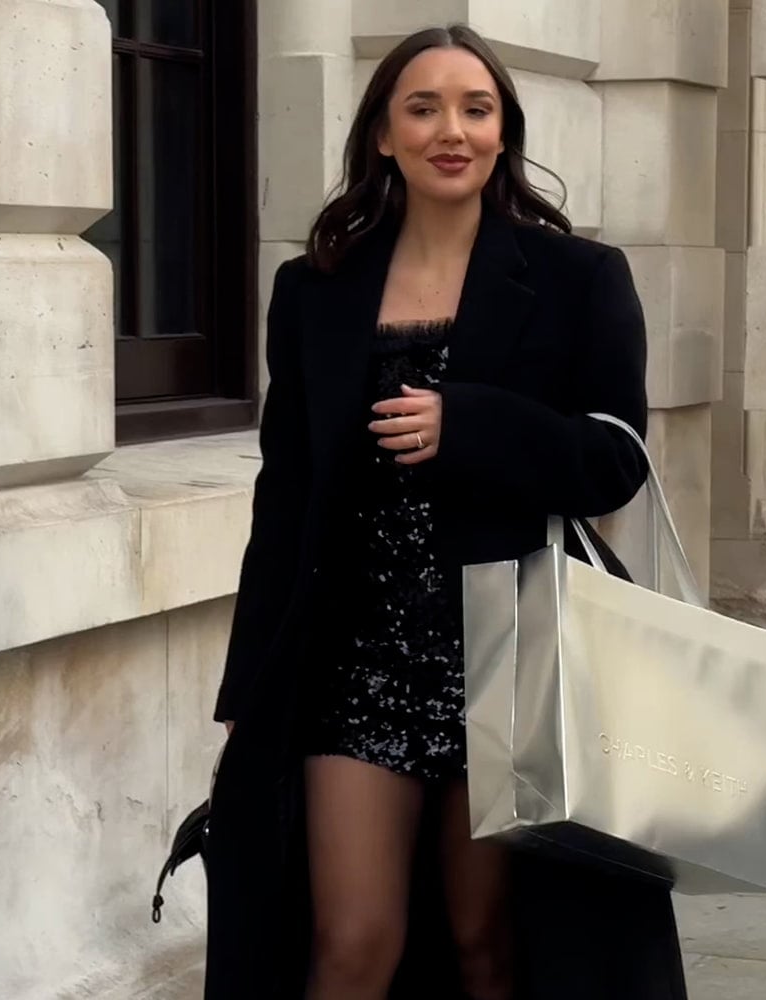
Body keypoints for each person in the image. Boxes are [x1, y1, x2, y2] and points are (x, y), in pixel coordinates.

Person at [204, 23, 688, 1000]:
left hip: (513, 662)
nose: (451, 130)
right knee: (350, 942)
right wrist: (248, 695)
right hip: (355, 664)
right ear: (384, 134)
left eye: (476, 109)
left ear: (504, 131)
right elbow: (283, 500)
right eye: (423, 109)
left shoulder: (578, 278)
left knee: (486, 945)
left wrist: (470, 423)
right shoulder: (315, 290)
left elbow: (614, 459)